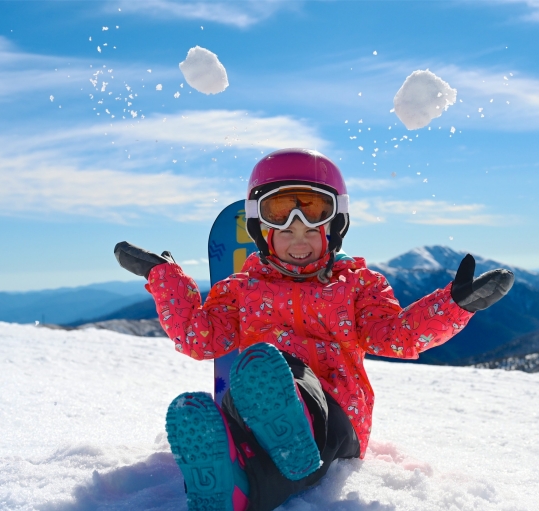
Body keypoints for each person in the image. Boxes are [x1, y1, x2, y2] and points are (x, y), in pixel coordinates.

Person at [114, 148, 514, 511]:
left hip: (338, 416)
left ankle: (281, 423)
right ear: (262, 232)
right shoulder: (240, 289)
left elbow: (397, 334)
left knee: (275, 369)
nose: (298, 239)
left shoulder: (359, 286)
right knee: (252, 406)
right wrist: (164, 278)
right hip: (258, 405)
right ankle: (232, 484)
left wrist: (454, 306)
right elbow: (200, 338)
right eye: (285, 230)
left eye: (311, 229)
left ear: (334, 228)